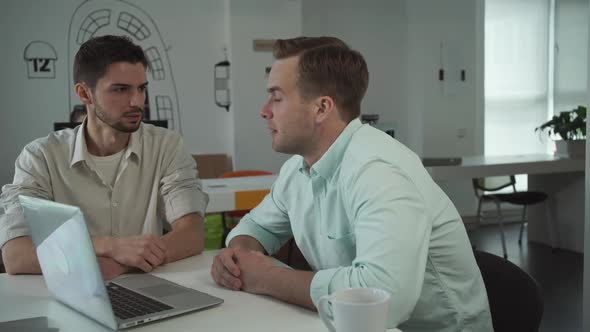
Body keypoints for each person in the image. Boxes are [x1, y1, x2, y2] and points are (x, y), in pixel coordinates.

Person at [210, 36, 493, 331]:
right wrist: (237, 258)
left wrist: (267, 277)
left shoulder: (378, 170)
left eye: (277, 97)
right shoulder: (297, 169)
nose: (264, 110)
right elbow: (256, 227)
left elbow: (383, 299)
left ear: (321, 108)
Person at [0, 35, 208, 280]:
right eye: (120, 89)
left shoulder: (166, 145)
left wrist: (124, 265)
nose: (137, 102)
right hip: (68, 291)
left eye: (141, 88)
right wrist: (108, 246)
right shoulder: (40, 157)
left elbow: (192, 233)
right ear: (85, 94)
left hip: (146, 288)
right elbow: (16, 255)